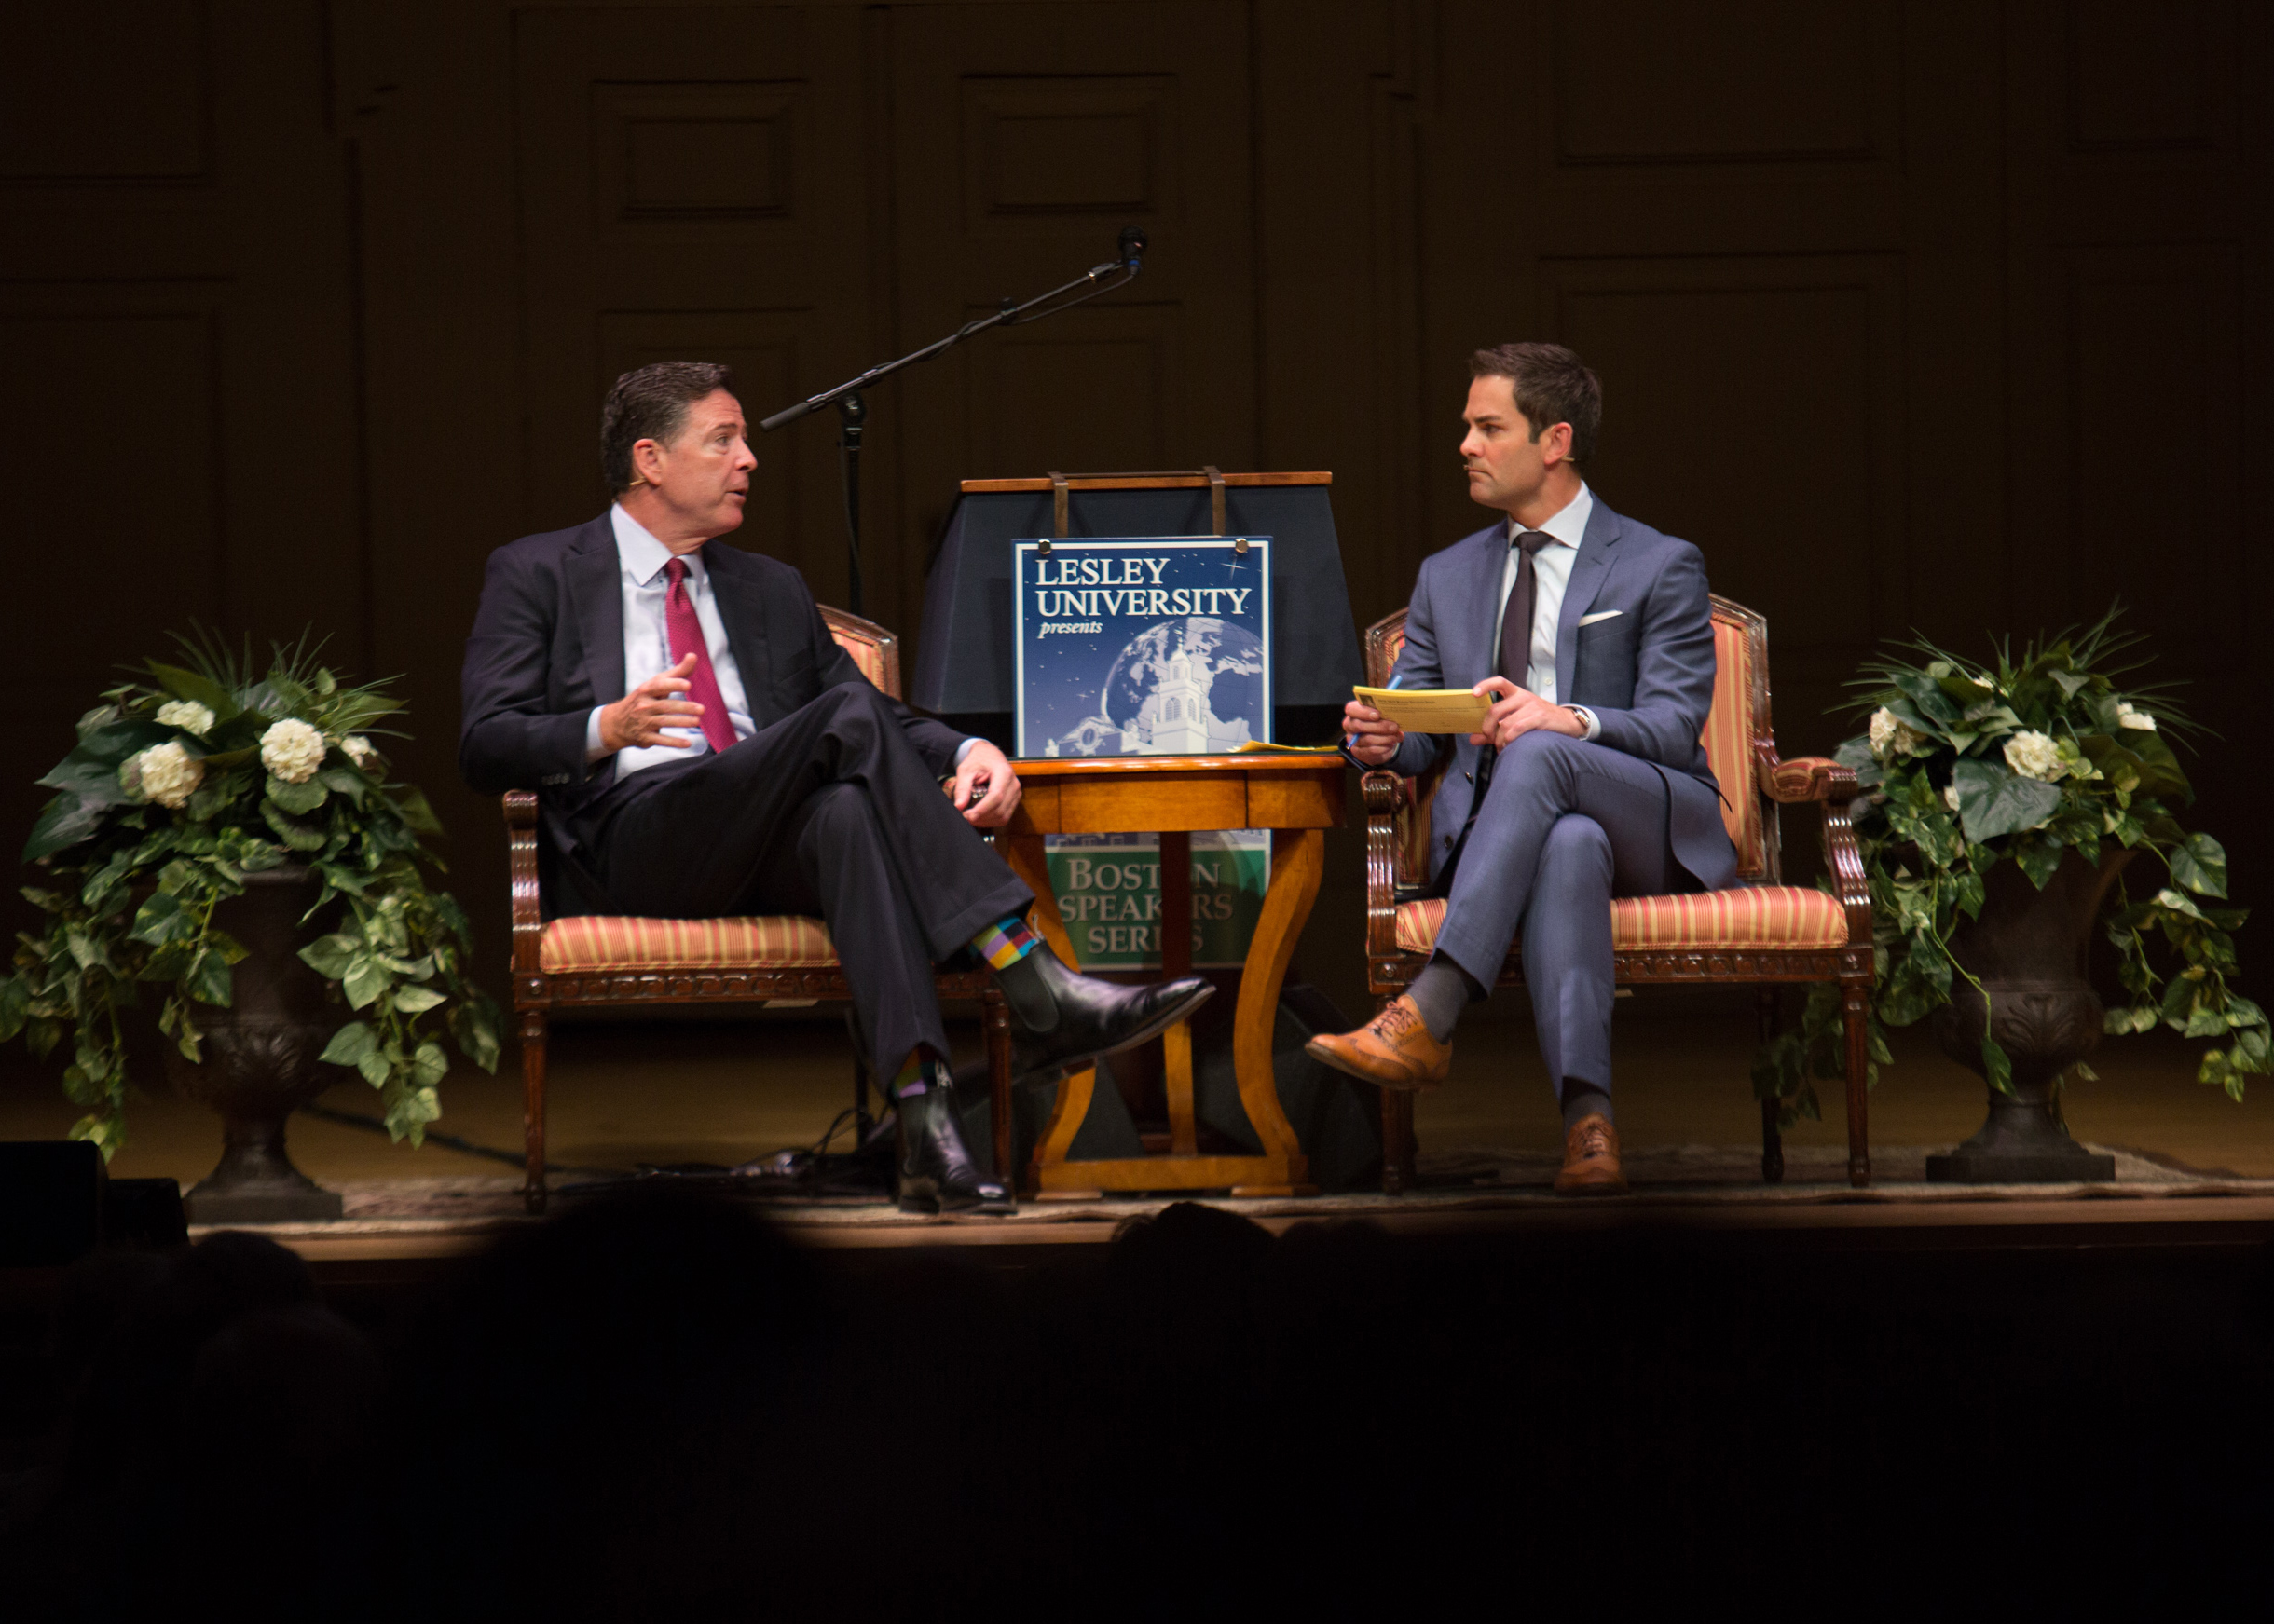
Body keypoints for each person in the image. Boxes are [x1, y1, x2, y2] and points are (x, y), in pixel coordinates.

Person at [459, 362, 1212, 1212]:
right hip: (629, 841)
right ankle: (1030, 975)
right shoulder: (538, 572)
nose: (750, 459)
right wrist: (606, 726)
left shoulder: (768, 587)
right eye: (724, 439)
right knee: (841, 721)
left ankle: (927, 1130)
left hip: (765, 837)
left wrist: (971, 747)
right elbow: (485, 743)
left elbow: (877, 720)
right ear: (650, 460)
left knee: (848, 810)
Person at [1308, 343, 1736, 1194]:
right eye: (1467, 426)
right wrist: (1390, 737)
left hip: (1650, 818)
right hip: (1513, 833)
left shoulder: (1659, 563)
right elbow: (1431, 732)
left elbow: (1674, 725)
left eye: (1487, 426)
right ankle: (1589, 1125)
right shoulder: (1447, 576)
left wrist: (1564, 717)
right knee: (1568, 843)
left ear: (1555, 441)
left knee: (1544, 751)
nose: (1464, 444)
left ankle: (1431, 1007)